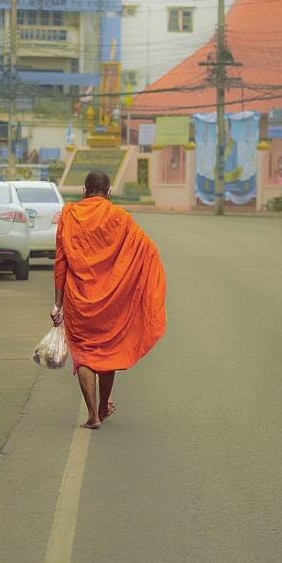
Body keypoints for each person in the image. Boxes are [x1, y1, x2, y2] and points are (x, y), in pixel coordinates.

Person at [51, 169, 167, 429]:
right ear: (109, 192)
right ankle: (103, 406)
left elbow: (61, 263)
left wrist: (57, 303)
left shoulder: (69, 216)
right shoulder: (120, 217)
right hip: (111, 301)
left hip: (78, 301)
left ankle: (92, 414)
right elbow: (147, 250)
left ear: (84, 191)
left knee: (83, 354)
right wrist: (130, 283)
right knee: (106, 351)